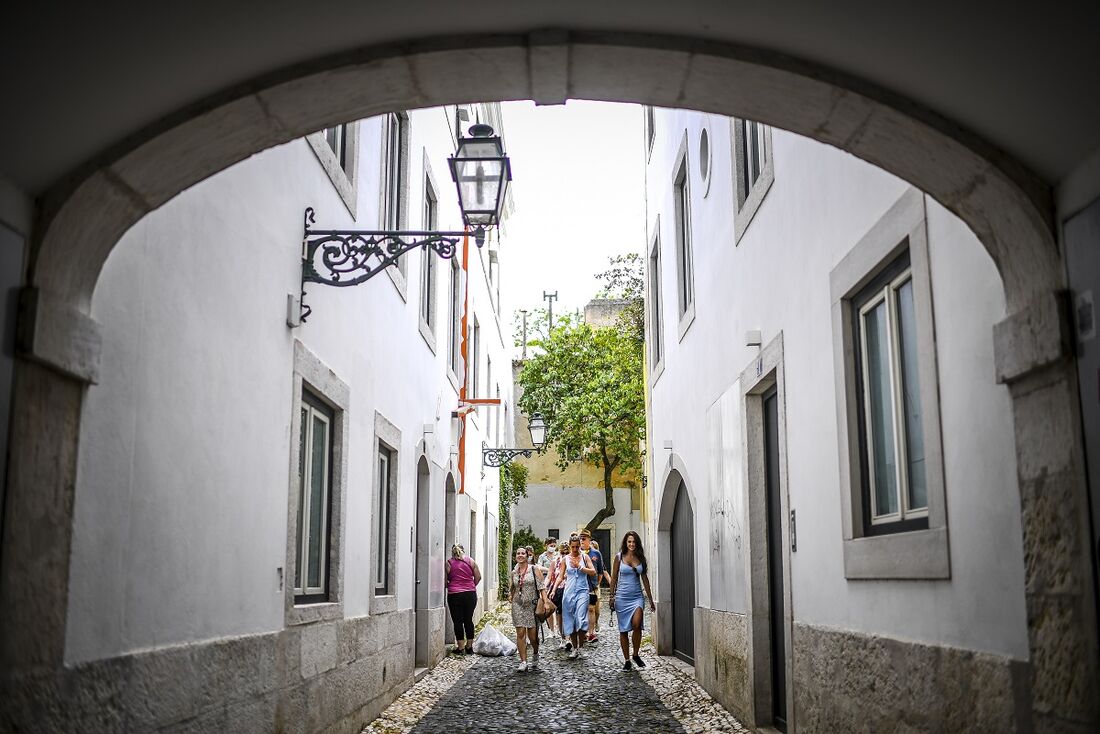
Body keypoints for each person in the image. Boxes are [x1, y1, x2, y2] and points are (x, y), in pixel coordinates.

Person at [610, 530, 656, 671]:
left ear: (637, 544)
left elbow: (645, 579)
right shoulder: (619, 557)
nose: (631, 544)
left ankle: (636, 654)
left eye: (634, 542)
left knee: (637, 624)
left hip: (637, 597)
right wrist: (612, 596)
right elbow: (614, 578)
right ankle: (627, 660)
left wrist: (650, 599)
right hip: (622, 598)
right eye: (629, 541)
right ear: (626, 543)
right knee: (623, 629)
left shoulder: (640, 558)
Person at [557, 533, 596, 659]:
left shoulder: (585, 558)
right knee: (571, 620)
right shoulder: (565, 560)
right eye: (572, 547)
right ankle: (575, 648)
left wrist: (580, 567)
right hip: (568, 592)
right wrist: (553, 589)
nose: (575, 549)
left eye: (577, 547)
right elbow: (560, 576)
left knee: (581, 619)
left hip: (582, 591)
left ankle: (581, 646)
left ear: (580, 546)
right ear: (569, 546)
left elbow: (593, 572)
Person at [510, 547, 548, 672]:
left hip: (532, 605)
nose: (520, 555)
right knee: (520, 633)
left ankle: (535, 653)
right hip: (518, 605)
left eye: (523, 553)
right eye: (518, 553)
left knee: (533, 637)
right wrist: (510, 596)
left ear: (527, 556)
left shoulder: (534, 569)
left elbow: (542, 587)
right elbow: (513, 587)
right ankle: (523, 661)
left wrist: (545, 602)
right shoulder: (514, 572)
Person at [445, 544, 481, 654]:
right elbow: (478, 577)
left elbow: (445, 580)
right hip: (470, 594)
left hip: (455, 595)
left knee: (458, 621)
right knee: (468, 620)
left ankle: (460, 648)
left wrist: (451, 585)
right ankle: (469, 647)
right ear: (463, 551)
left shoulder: (449, 563)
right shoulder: (471, 561)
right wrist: (470, 586)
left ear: (452, 552)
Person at [579, 530, 610, 643]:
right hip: (579, 587)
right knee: (583, 610)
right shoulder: (576, 553)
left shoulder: (596, 553)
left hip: (592, 586)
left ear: (589, 540)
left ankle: (592, 631)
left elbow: (601, 571)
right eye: (580, 538)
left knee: (593, 609)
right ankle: (584, 632)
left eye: (584, 539)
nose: (582, 541)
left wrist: (597, 583)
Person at [536, 538, 560, 637]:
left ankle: (558, 628)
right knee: (548, 605)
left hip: (558, 581)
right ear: (546, 545)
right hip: (546, 580)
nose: (553, 548)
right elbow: (539, 567)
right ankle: (551, 630)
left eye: (554, 546)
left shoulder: (558, 555)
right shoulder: (542, 556)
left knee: (557, 605)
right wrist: (550, 569)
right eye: (551, 546)